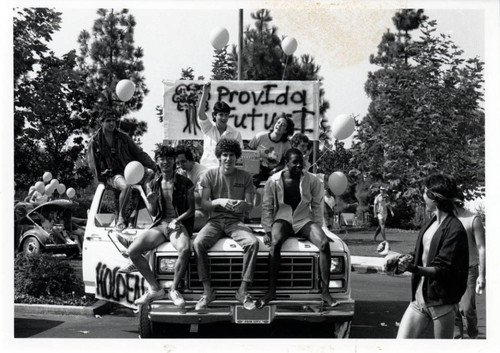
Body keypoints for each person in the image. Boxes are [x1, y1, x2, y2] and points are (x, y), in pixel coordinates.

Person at [258, 148, 338, 308]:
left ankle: (325, 292)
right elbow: (267, 206)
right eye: (295, 162)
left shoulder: (313, 180)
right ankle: (271, 290)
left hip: (303, 219)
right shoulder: (273, 181)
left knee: (323, 243)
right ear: (286, 163)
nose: (299, 165)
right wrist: (267, 229)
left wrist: (319, 227)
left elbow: (317, 205)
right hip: (283, 217)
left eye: (301, 161)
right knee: (275, 242)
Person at [396, 173, 469, 339]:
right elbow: (421, 254)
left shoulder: (455, 230)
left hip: (441, 304)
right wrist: (402, 258)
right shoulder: (430, 223)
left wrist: (411, 268)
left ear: (433, 198)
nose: (422, 196)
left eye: (424, 192)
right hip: (419, 300)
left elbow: (442, 269)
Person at [193, 138, 258, 311]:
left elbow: (250, 205)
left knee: (252, 243)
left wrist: (243, 205)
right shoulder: (209, 175)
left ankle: (243, 291)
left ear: (237, 157)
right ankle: (207, 291)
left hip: (235, 222)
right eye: (224, 155)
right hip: (214, 221)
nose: (228, 159)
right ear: (219, 157)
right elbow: (204, 203)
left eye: (231, 155)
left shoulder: (245, 177)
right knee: (198, 243)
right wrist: (219, 201)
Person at [125, 145, 195, 306]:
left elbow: (191, 210)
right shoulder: (152, 183)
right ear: (157, 161)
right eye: (162, 159)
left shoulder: (186, 182)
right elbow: (154, 213)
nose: (165, 162)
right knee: (133, 251)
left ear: (174, 161)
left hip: (178, 224)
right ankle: (155, 288)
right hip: (161, 224)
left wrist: (177, 220)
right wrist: (152, 203)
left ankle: (174, 289)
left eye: (169, 159)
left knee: (185, 249)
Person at [88, 110, 157, 231]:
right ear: (101, 122)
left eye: (114, 121)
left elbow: (139, 153)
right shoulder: (95, 141)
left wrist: (155, 166)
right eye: (108, 121)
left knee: (150, 174)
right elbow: (92, 163)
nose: (111, 123)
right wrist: (102, 178)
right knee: (126, 187)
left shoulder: (123, 137)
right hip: (112, 174)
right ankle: (121, 217)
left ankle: (149, 192)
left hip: (129, 169)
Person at [453, 192, 486, 339]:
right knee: (452, 308)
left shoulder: (473, 219)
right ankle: (457, 339)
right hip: (449, 270)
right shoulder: (445, 218)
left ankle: (473, 337)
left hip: (469, 269)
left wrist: (482, 275)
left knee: (467, 309)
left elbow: (482, 248)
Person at [197, 82, 243, 169]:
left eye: (226, 115)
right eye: (221, 115)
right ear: (214, 115)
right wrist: (205, 93)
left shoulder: (235, 133)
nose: (224, 118)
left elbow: (239, 155)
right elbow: (201, 114)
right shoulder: (208, 128)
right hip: (207, 170)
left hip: (227, 172)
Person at [247, 114, 295, 186]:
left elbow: (284, 162)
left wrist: (275, 170)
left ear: (286, 131)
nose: (279, 125)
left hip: (272, 171)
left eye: (283, 125)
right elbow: (248, 151)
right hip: (256, 168)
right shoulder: (260, 137)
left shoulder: (286, 145)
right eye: (278, 123)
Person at [175, 144, 208, 232]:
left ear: (192, 160)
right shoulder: (183, 171)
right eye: (178, 163)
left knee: (177, 226)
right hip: (189, 212)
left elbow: (202, 199)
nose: (180, 165)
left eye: (183, 162)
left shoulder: (202, 173)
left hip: (203, 213)